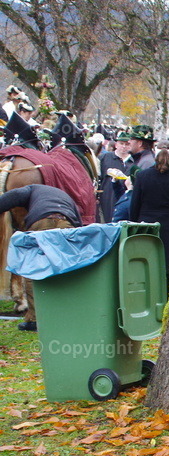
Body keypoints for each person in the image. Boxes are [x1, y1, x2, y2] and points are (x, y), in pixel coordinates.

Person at [0, 184, 82, 331]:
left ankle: (35, 320)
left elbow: (8, 199)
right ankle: (68, 314)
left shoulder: (31, 189)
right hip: (67, 224)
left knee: (34, 270)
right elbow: (78, 221)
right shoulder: (64, 196)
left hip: (42, 223)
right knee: (67, 271)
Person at [129, 149, 169, 283]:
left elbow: (135, 205)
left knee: (147, 262)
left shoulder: (142, 176)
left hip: (146, 225)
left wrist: (134, 225)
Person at [97, 132, 131, 223]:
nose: (124, 146)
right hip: (107, 200)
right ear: (116, 144)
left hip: (127, 201)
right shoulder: (104, 158)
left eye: (127, 144)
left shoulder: (134, 161)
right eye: (121, 143)